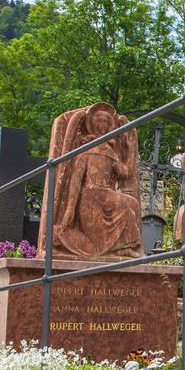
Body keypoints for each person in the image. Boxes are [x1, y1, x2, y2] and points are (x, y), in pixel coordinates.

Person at [44, 102, 142, 260]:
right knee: (125, 209)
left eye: (106, 122)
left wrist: (130, 149)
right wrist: (69, 208)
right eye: (99, 121)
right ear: (92, 123)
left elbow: (125, 172)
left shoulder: (110, 151)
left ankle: (125, 247)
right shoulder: (85, 150)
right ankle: (113, 248)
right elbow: (75, 181)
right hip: (90, 197)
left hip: (107, 195)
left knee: (133, 204)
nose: (102, 125)